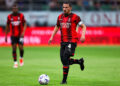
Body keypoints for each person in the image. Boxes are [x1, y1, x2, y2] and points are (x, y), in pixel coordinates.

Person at [48, 2, 86, 84]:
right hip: (63, 41)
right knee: (64, 60)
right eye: (63, 7)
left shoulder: (75, 17)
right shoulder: (60, 17)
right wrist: (51, 37)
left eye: (66, 7)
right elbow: (57, 27)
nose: (64, 9)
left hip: (72, 41)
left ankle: (64, 81)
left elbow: (83, 26)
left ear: (70, 8)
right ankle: (79, 61)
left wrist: (83, 35)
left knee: (65, 58)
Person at [5, 4, 27, 68]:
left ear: (17, 9)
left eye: (16, 8)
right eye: (14, 8)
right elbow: (7, 26)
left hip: (20, 35)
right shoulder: (9, 17)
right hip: (13, 35)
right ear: (12, 9)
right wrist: (6, 36)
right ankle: (15, 63)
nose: (15, 9)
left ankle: (21, 58)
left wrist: (23, 32)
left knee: (21, 48)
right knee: (14, 48)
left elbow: (25, 23)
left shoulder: (21, 16)